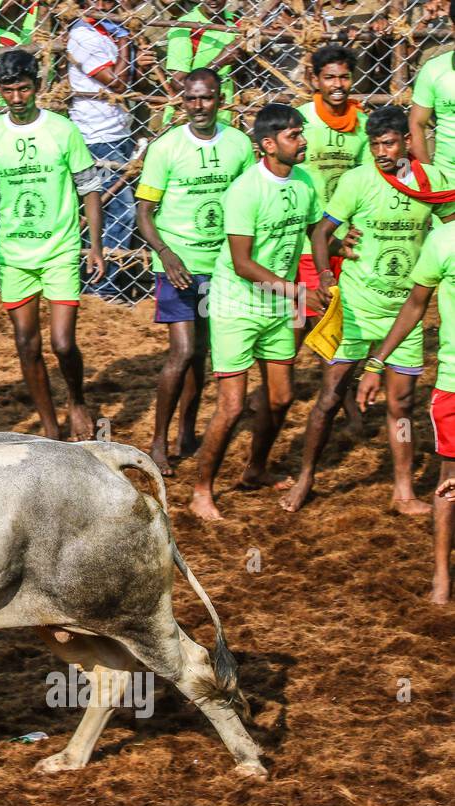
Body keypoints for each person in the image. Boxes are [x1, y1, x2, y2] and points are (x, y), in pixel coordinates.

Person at [282, 106, 455, 515]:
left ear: (409, 143)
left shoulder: (434, 183)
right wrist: (325, 274)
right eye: (375, 144)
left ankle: (403, 491)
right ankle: (307, 477)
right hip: (357, 307)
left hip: (405, 314)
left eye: (389, 143)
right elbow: (322, 232)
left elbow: (450, 224)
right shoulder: (358, 180)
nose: (381, 151)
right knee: (330, 396)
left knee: (401, 405)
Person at [0, 49, 105, 441]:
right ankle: (49, 427)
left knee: (62, 342)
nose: (16, 98)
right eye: (8, 91)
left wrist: (95, 245)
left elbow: (89, 189)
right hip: (15, 255)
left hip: (59, 249)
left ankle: (76, 399)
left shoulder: (62, 130)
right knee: (26, 344)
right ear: (1, 92)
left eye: (23, 89)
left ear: (37, 87)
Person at [190, 104, 321, 521]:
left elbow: (316, 228)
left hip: (279, 304)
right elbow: (243, 263)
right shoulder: (246, 190)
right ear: (268, 145)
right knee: (231, 406)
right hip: (236, 305)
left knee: (282, 398)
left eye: (301, 134)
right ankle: (201, 489)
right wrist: (299, 293)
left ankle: (255, 469)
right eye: (293, 136)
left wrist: (330, 260)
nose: (302, 142)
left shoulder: (304, 182)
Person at [135, 67, 253, 476]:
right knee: (182, 351)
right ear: (181, 101)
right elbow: (144, 213)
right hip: (179, 264)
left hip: (221, 265)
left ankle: (188, 429)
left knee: (201, 353)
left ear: (220, 99)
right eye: (191, 99)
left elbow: (247, 201)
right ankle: (158, 441)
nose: (198, 107)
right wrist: (166, 254)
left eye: (206, 98)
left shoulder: (239, 144)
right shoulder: (165, 147)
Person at [357, 217, 455, 602]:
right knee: (449, 482)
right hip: (453, 382)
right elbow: (415, 305)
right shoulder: (443, 240)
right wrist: (377, 361)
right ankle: (441, 576)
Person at [66, 0, 154, 301]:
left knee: (111, 208)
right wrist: (127, 41)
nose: (105, 3)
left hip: (116, 132)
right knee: (120, 211)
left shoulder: (106, 31)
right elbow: (116, 82)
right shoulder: (84, 34)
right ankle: (101, 287)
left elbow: (126, 79)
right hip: (97, 136)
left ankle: (101, 283)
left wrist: (133, 61)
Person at [295, 44, 369, 331]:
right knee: (312, 320)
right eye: (330, 77)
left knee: (342, 322)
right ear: (315, 80)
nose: (338, 85)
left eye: (344, 77)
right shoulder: (300, 121)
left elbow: (367, 181)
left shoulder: (363, 125)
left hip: (345, 241)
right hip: (305, 240)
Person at [164, 0, 241, 126]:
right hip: (188, 115)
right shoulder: (185, 26)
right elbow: (177, 84)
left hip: (224, 113)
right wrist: (219, 62)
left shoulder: (235, 22)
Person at [410, 1, 455, 176]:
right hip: (447, 179)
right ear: (453, 29)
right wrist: (431, 178)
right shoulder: (434, 69)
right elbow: (416, 123)